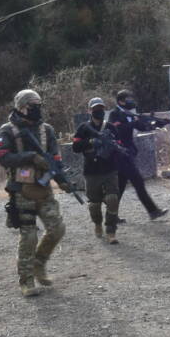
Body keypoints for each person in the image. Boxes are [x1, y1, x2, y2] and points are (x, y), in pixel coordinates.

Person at [0, 89, 68, 297]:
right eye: (32, 105)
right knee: (28, 236)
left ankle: (39, 263)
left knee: (57, 228)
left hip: (43, 189)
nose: (37, 109)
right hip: (21, 189)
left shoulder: (47, 130)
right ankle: (26, 280)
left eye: (39, 104)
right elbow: (3, 158)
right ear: (21, 107)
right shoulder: (8, 130)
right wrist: (30, 157)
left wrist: (62, 179)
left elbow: (55, 159)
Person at [106, 89, 169, 221]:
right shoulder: (114, 114)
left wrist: (156, 124)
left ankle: (111, 216)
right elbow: (116, 130)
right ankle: (153, 211)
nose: (131, 101)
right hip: (120, 153)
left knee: (120, 186)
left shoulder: (129, 114)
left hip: (128, 153)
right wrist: (132, 123)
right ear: (121, 101)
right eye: (128, 99)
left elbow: (142, 127)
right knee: (138, 182)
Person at [71, 97, 123, 244]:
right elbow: (75, 147)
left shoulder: (110, 127)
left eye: (100, 108)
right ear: (89, 111)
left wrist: (110, 148)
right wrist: (91, 142)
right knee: (94, 204)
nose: (98, 111)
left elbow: (119, 145)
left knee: (113, 199)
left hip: (109, 169)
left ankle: (111, 231)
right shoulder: (83, 128)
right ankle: (98, 224)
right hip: (91, 170)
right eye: (95, 109)